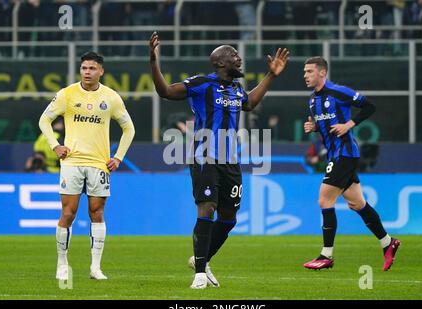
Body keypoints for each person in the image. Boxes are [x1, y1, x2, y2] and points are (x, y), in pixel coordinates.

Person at [149, 31, 289, 289]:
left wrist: (271, 76)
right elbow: (167, 92)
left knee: (229, 217)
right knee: (207, 207)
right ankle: (200, 273)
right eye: (234, 55)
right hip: (204, 156)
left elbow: (250, 104)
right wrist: (154, 64)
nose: (239, 59)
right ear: (221, 62)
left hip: (230, 160)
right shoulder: (202, 83)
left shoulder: (236, 89)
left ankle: (201, 259)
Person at [38, 52, 135, 281]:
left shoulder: (111, 97)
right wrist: (55, 145)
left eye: (92, 68)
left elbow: (128, 128)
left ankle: (95, 268)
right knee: (68, 213)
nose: (87, 72)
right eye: (84, 68)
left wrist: (118, 157)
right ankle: (62, 264)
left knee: (97, 213)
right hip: (72, 162)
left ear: (101, 71)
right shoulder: (67, 94)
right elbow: (44, 120)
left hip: (99, 164)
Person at [302, 56, 400, 271]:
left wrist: (349, 124)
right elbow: (325, 124)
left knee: (324, 200)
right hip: (334, 156)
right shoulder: (312, 99)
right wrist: (314, 128)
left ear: (322, 72)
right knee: (356, 203)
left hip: (345, 154)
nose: (305, 75)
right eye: (304, 72)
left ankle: (326, 255)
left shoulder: (339, 91)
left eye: (309, 71)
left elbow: (369, 107)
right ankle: (388, 242)